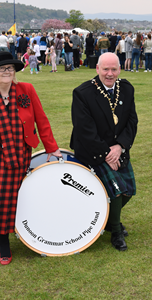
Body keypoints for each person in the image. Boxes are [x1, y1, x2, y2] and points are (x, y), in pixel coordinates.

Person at [0, 51, 62, 265]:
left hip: (21, 155)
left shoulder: (26, 90)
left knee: (14, 200)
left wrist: (52, 148)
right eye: (2, 68)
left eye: (10, 68)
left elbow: (41, 119)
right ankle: (3, 246)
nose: (7, 72)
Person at [70, 52, 138, 251]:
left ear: (119, 69)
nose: (110, 73)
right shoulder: (83, 92)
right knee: (116, 191)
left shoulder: (126, 89)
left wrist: (120, 146)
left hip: (118, 148)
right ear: (97, 69)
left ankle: (108, 220)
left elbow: (132, 122)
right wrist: (107, 154)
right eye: (105, 69)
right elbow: (84, 129)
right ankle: (115, 231)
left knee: (129, 190)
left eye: (114, 69)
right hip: (93, 150)